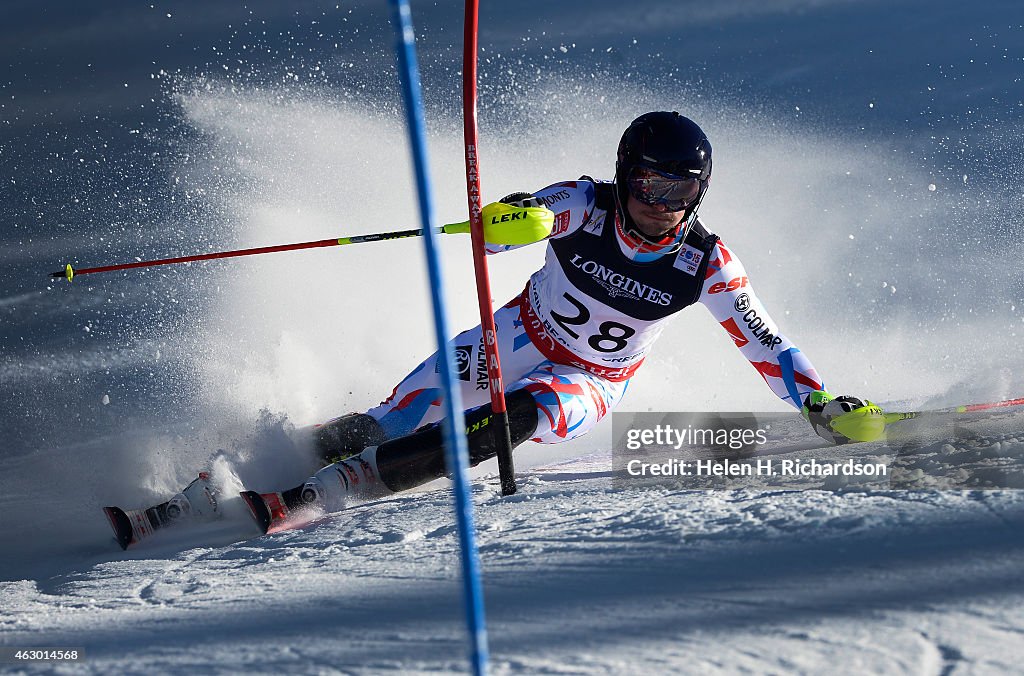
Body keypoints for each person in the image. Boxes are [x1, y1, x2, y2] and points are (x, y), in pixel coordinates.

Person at [166, 111, 880, 534]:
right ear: (627, 174)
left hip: (589, 379)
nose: (664, 204)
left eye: (682, 190)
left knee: (518, 417)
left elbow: (764, 342)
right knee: (395, 416)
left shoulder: (706, 263)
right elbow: (517, 224)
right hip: (514, 336)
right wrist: (516, 219)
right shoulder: (585, 202)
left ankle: (335, 490)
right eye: (652, 185)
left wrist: (819, 399)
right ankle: (240, 474)